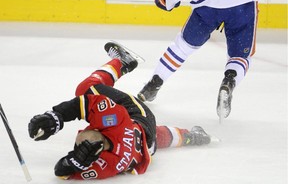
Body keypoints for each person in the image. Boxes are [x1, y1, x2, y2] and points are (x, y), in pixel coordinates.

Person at [28, 42, 211, 180]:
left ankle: (191, 137)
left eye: (78, 146)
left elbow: (62, 173)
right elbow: (83, 103)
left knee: (153, 138)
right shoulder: (114, 121)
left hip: (146, 145)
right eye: (85, 139)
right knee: (86, 89)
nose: (84, 131)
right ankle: (122, 62)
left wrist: (74, 161)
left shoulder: (109, 164)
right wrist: (57, 116)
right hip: (138, 115)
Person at [137, 0, 263, 121]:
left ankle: (155, 82)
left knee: (182, 46)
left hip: (210, 3)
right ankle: (229, 80)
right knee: (240, 55)